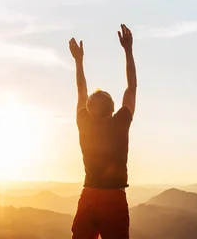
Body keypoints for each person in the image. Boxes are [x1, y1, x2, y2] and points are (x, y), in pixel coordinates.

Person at [69, 24, 137, 239]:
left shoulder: (84, 123)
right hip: (114, 199)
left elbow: (81, 90)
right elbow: (132, 87)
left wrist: (79, 61)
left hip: (89, 195)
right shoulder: (120, 123)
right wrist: (128, 51)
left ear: (88, 110)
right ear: (113, 108)